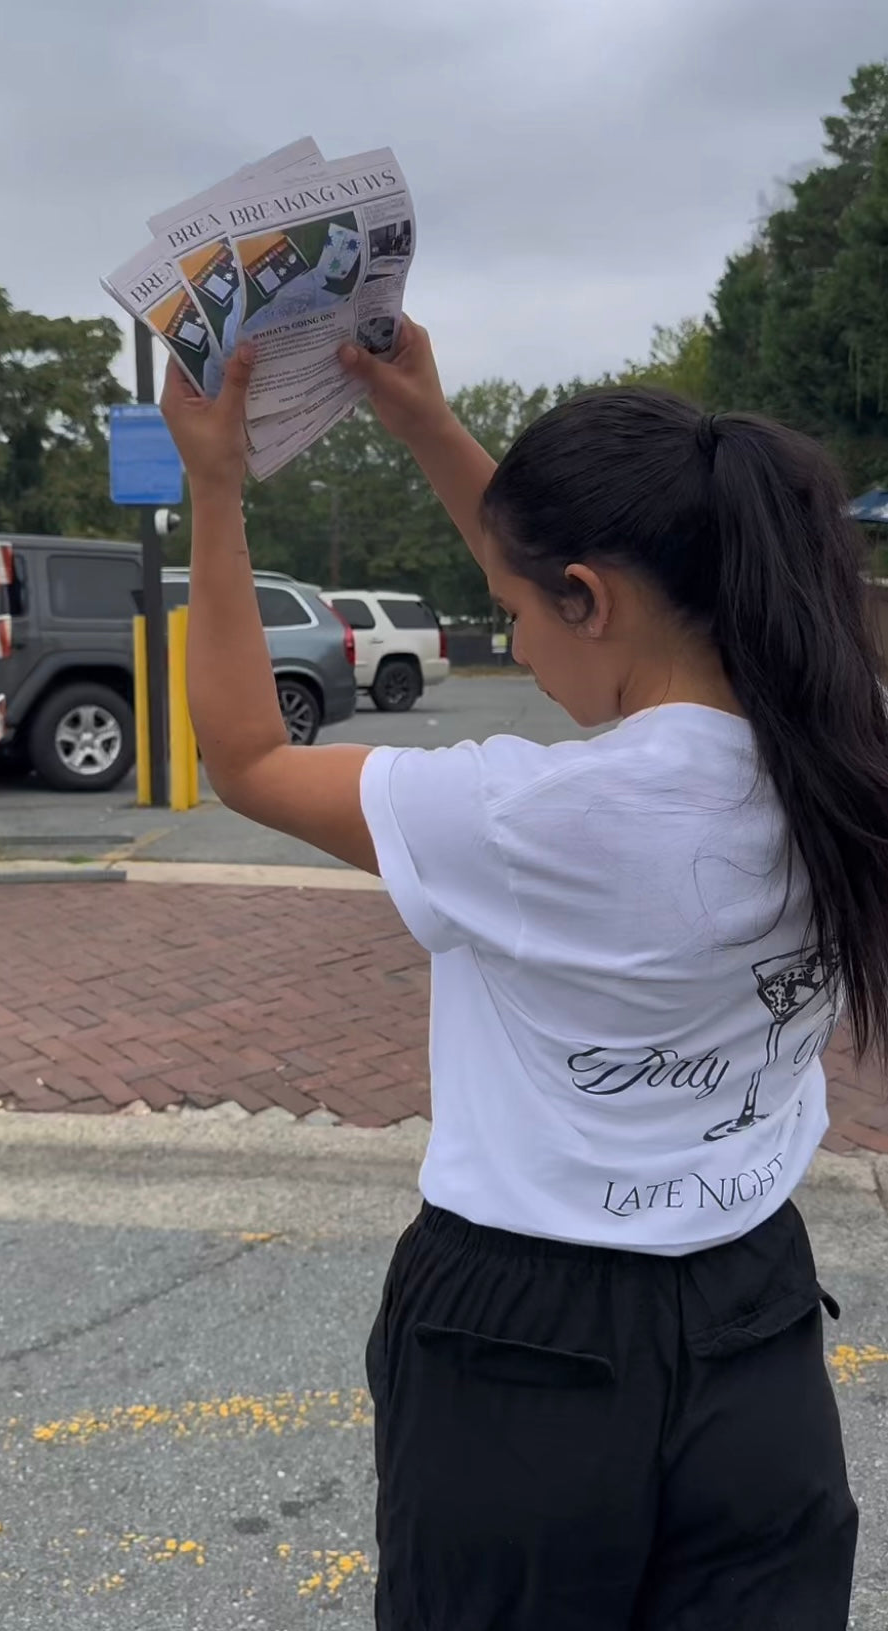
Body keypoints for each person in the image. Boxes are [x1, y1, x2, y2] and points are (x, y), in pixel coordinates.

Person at [161, 318, 888, 1630]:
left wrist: (213, 488)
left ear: (588, 597)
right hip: (755, 1328)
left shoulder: (529, 820)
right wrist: (429, 426)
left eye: (511, 614)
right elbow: (595, 618)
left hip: (521, 1345)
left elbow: (249, 761)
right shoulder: (846, 755)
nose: (521, 649)